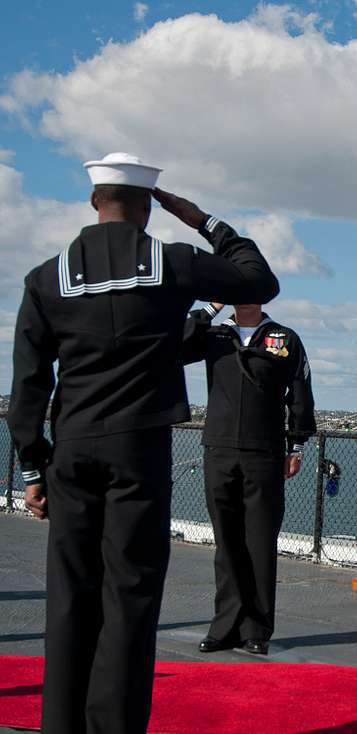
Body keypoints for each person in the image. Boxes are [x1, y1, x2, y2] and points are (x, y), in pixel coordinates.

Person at [7, 152, 279, 734]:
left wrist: (33, 468)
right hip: (138, 449)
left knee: (70, 596)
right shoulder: (173, 263)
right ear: (150, 206)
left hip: (72, 449)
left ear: (93, 201)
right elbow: (260, 282)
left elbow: (28, 387)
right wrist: (204, 221)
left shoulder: (44, 277)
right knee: (129, 594)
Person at [182, 301, 316, 655]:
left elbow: (300, 391)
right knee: (226, 543)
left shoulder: (284, 338)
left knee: (258, 542)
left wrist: (297, 444)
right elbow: (172, 345)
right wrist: (209, 308)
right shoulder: (214, 334)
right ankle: (224, 627)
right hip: (219, 450)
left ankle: (256, 629)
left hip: (265, 452)